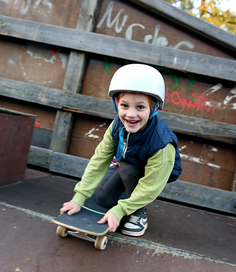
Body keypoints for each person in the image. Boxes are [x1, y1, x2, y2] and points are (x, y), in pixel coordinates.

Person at [59, 64, 182, 237]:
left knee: (128, 170)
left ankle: (138, 213)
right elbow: (99, 159)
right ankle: (127, 191)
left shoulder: (162, 143)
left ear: (154, 108)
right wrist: (78, 198)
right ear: (116, 104)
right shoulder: (117, 125)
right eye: (125, 105)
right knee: (103, 199)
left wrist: (121, 210)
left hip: (153, 173)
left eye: (140, 107)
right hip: (125, 162)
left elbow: (152, 184)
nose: (131, 114)